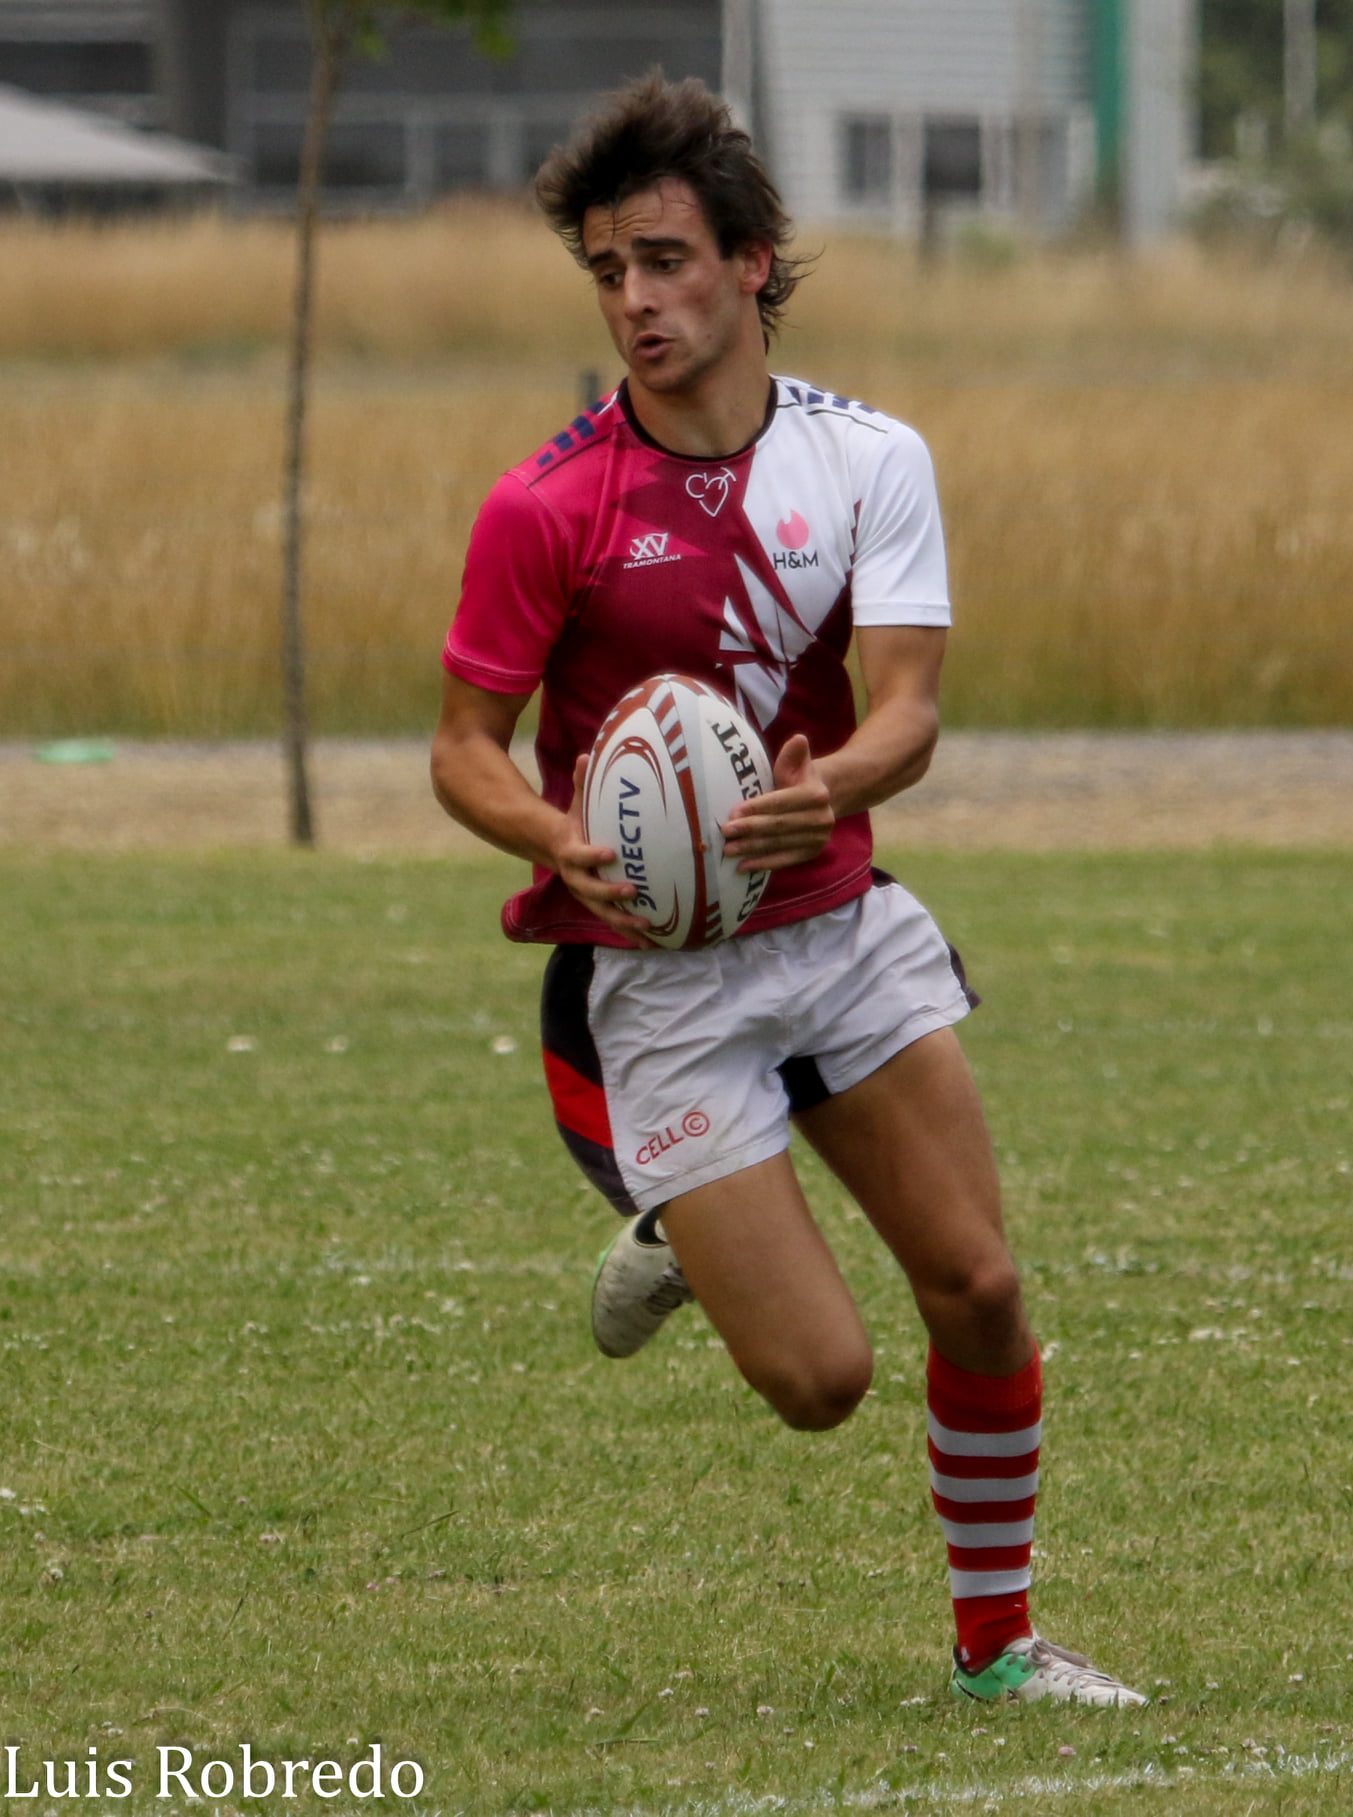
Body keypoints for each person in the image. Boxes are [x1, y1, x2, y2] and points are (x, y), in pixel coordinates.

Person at [430, 73, 1145, 1710]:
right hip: (663, 974)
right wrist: (547, 838)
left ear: (752, 262)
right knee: (824, 1380)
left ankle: (999, 1648)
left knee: (978, 1284)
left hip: (833, 925)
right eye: (608, 270)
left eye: (667, 260)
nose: (636, 300)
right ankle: (674, 1195)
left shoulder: (870, 459)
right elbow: (464, 750)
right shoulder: (550, 506)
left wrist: (836, 784)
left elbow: (908, 706)